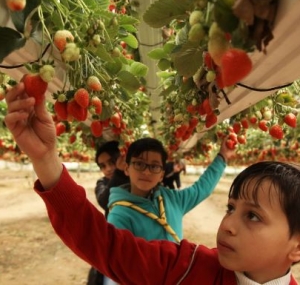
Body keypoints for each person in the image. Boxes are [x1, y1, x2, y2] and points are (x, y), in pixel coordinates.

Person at [5, 82, 300, 284]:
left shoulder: (170, 201)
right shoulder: (184, 266)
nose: (228, 225)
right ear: (127, 166)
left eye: (252, 215)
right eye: (230, 208)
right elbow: (104, 244)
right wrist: (45, 160)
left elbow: (201, 189)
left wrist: (222, 158)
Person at [107, 137, 233, 243]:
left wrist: (222, 156)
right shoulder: (120, 215)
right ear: (127, 169)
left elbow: (202, 188)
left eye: (154, 166)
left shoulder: (173, 199)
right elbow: (118, 266)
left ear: (161, 174)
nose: (146, 172)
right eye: (139, 164)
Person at [88, 141, 129, 285]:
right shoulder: (102, 183)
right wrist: (118, 172)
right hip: (113, 246)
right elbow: (104, 201)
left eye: (112, 162)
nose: (108, 168)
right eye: (103, 166)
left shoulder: (136, 179)